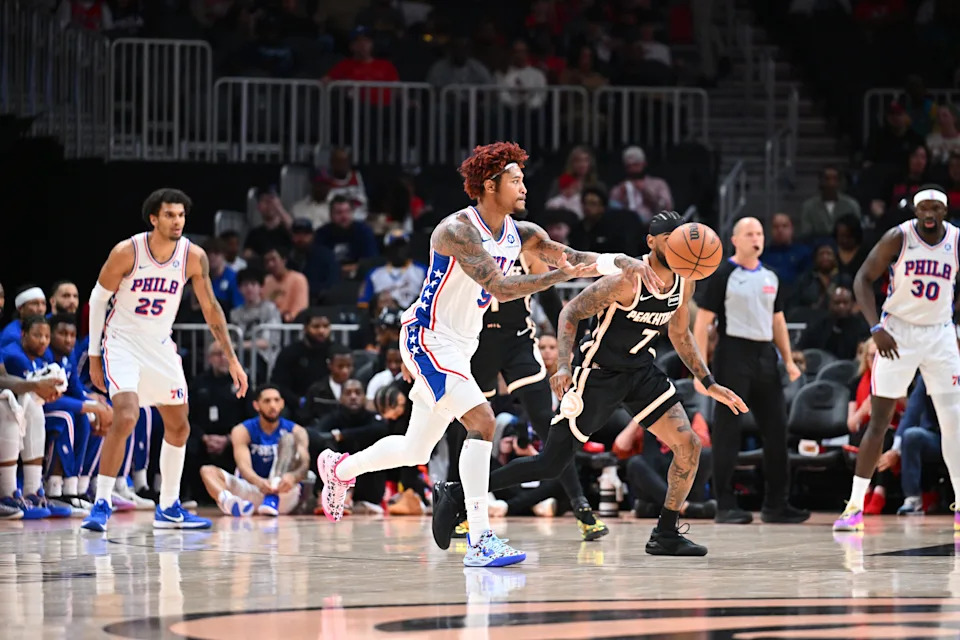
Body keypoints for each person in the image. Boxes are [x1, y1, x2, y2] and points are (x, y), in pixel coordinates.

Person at [316, 141, 661, 567]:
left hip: (462, 345)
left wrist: (619, 261)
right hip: (427, 338)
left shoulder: (524, 233)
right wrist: (555, 278)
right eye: (515, 180)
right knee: (483, 420)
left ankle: (339, 469)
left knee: (416, 449)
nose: (523, 188)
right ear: (489, 185)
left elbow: (572, 257)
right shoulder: (456, 231)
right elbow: (499, 285)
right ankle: (480, 538)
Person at [433, 211, 747, 556]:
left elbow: (679, 332)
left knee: (688, 445)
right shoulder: (626, 280)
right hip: (597, 375)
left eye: (681, 236)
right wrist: (564, 366)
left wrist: (708, 380)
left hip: (641, 372)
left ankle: (666, 532)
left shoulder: (685, 281)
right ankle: (457, 491)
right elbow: (571, 312)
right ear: (653, 242)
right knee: (551, 463)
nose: (678, 243)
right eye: (671, 237)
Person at [80, 188, 248, 532]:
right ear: (154, 218)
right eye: (170, 215)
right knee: (125, 416)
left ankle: (169, 505)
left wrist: (232, 358)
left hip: (159, 345)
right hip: (122, 342)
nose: (177, 221)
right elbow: (98, 301)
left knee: (180, 426)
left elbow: (211, 308)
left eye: (181, 215)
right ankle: (101, 502)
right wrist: (95, 356)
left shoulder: (192, 256)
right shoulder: (128, 252)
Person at [834, 185, 960, 533]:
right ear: (916, 211)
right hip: (898, 332)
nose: (930, 213)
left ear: (944, 212)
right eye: (925, 207)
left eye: (937, 207)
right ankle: (854, 506)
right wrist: (875, 327)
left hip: (939, 333)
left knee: (953, 422)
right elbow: (862, 279)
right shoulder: (898, 237)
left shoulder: (956, 240)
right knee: (879, 421)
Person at [468, 250, 607, 541]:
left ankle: (581, 505)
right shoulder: (469, 241)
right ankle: (463, 507)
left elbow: (550, 297)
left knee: (548, 423)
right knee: (469, 427)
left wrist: (566, 342)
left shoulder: (525, 246)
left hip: (518, 342)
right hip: (477, 343)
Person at [693, 217, 811, 525]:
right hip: (732, 353)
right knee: (727, 431)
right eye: (749, 233)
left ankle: (776, 504)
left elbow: (778, 322)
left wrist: (787, 360)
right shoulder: (723, 275)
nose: (756, 238)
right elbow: (702, 323)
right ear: (735, 239)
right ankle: (725, 505)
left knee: (776, 430)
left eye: (759, 233)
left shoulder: (771, 276)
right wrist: (698, 370)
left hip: (764, 356)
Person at [200, 384, 309, 517]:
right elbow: (243, 466)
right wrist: (259, 482)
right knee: (207, 470)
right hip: (253, 488)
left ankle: (272, 499)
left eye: (276, 400)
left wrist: (293, 477)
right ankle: (229, 502)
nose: (273, 405)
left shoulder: (297, 430)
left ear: (282, 403)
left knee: (289, 440)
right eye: (267, 401)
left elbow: (304, 464)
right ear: (256, 405)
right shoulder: (242, 430)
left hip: (282, 492)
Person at [1, 315, 71, 518]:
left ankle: (31, 492)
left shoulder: (39, 360)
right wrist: (36, 386)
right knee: (9, 406)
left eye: (46, 336)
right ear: (23, 334)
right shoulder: (15, 354)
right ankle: (6, 492)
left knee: (31, 406)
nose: (42, 340)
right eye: (37, 335)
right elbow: (5, 381)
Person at [270, 309, 331, 405]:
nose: (321, 331)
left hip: (327, 403)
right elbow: (278, 384)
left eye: (325, 326)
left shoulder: (334, 352)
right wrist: (297, 401)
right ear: (305, 328)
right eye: (316, 326)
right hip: (295, 403)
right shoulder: (290, 352)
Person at [358, 230, 426, 309]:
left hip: (412, 315)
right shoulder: (374, 274)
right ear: (387, 249)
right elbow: (363, 304)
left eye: (402, 246)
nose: (399, 250)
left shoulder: (422, 271)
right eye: (395, 247)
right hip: (382, 316)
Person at [798, 286, 870, 360]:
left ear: (852, 304)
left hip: (853, 368)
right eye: (837, 303)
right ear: (830, 304)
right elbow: (801, 348)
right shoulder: (818, 325)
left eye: (845, 302)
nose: (841, 306)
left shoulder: (861, 326)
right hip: (822, 368)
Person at [800, 167, 861, 241]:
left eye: (835, 179)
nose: (831, 183)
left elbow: (857, 232)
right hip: (818, 247)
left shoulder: (852, 205)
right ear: (820, 182)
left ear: (839, 182)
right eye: (827, 179)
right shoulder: (808, 206)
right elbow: (806, 234)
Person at [262, 246, 309, 323]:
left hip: (291, 325)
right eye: (267, 261)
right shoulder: (266, 281)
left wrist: (285, 318)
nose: (270, 264)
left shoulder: (298, 279)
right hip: (269, 324)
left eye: (273, 260)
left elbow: (300, 309)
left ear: (284, 260)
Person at [0, 285, 46, 350]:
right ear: (20, 308)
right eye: (35, 303)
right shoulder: (12, 335)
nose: (41, 309)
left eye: (43, 303)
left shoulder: (45, 329)